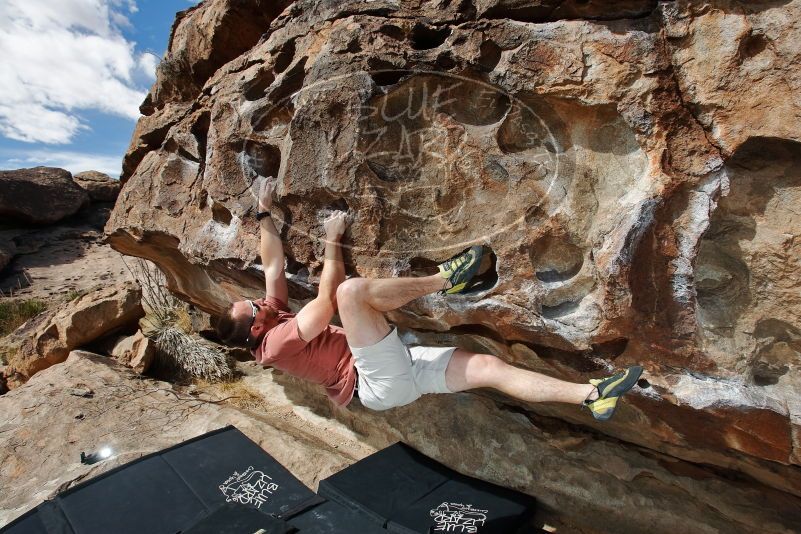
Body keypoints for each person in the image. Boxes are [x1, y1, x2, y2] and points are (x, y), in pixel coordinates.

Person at [213, 179, 642, 419]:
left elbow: (272, 266)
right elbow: (327, 299)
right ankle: (446, 279)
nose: (259, 301)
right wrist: (331, 239)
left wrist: (263, 210)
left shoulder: (267, 318)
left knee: (489, 368)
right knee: (350, 293)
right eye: (252, 307)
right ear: (255, 327)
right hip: (373, 381)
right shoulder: (276, 343)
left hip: (395, 372)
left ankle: (592, 395)